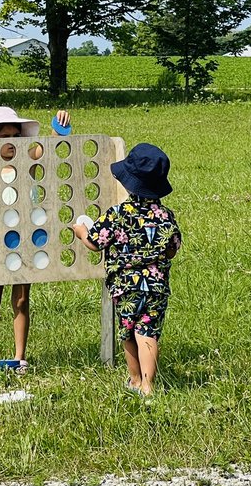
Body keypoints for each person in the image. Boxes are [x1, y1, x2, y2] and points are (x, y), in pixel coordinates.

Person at [73, 143, 181, 398]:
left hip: (125, 286)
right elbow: (172, 248)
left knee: (128, 332)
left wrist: (80, 232)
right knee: (148, 332)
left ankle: (134, 379)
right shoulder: (166, 216)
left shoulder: (118, 214)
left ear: (129, 183)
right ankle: (148, 385)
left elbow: (95, 242)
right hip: (155, 287)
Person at [0, 105, 70, 373]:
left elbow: (47, 148)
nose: (12, 143)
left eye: (16, 137)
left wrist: (58, 127)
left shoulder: (28, 166)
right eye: (4, 137)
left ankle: (19, 357)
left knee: (21, 300)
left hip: (25, 241)